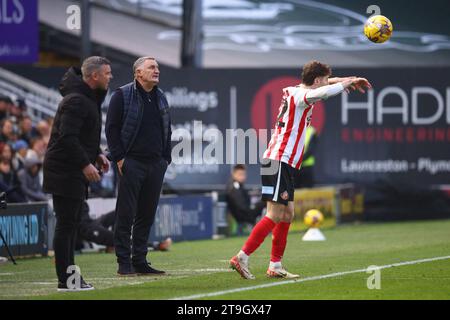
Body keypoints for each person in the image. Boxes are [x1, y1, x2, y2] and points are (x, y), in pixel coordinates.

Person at [229, 60, 371, 279]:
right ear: (316, 81)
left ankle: (275, 266)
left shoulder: (297, 89)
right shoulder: (302, 96)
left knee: (288, 214)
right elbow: (323, 92)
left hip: (283, 162)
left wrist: (345, 79)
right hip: (278, 160)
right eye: (323, 80)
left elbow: (323, 85)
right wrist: (345, 84)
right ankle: (242, 256)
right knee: (275, 214)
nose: (325, 83)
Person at [43, 56, 112, 292]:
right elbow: (67, 137)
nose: (110, 77)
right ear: (94, 76)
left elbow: (83, 137)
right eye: (107, 73)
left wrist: (98, 155)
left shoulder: (87, 99)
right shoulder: (76, 101)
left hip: (70, 170)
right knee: (66, 225)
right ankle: (67, 280)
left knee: (70, 225)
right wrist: (85, 164)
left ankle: (69, 278)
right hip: (64, 170)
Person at [106, 56, 172, 276]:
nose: (157, 70)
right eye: (151, 67)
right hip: (131, 162)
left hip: (155, 164)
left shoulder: (161, 97)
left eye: (158, 67)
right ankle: (123, 262)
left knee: (146, 215)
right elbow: (112, 129)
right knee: (125, 214)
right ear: (138, 73)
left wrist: (165, 159)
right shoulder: (121, 95)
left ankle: (140, 260)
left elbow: (167, 129)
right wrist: (120, 158)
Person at [226, 164, 265, 235]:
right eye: (240, 174)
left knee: (264, 202)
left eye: (243, 174)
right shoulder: (234, 187)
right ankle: (263, 228)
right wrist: (252, 207)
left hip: (246, 213)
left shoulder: (239, 186)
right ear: (234, 174)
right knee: (265, 202)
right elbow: (241, 206)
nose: (242, 177)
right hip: (242, 216)